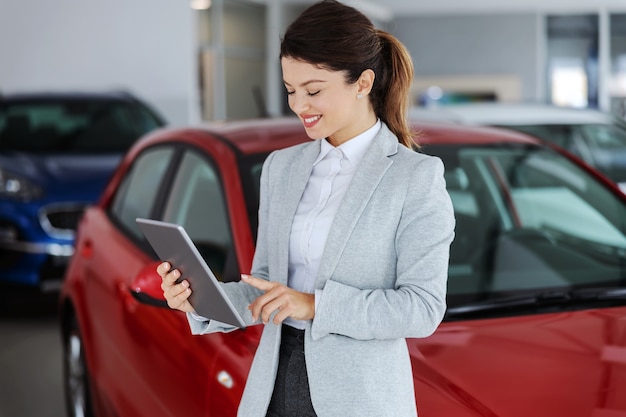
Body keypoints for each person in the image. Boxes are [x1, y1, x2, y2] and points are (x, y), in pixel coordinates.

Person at [158, 0, 455, 416]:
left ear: (363, 82)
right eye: (291, 90)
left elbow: (422, 308)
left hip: (359, 399)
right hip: (274, 386)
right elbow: (267, 285)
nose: (299, 106)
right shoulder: (281, 167)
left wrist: (315, 305)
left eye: (314, 90)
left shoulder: (414, 178)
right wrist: (202, 301)